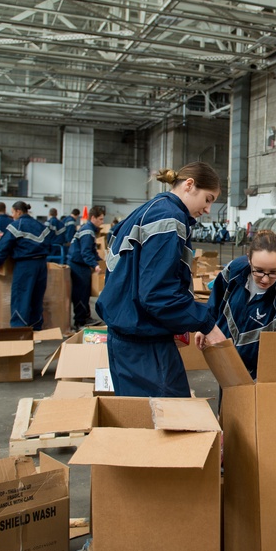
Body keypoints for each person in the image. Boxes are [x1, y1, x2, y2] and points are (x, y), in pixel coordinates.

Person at [96, 162, 226, 398]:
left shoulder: (152, 208)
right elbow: (158, 295)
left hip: (128, 333)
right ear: (189, 185)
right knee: (168, 422)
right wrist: (206, 323)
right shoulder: (169, 218)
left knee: (140, 418)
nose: (208, 209)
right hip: (144, 343)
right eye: (208, 199)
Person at [196, 230, 276, 378]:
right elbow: (217, 298)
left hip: (262, 377)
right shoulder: (235, 270)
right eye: (259, 271)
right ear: (249, 259)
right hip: (226, 361)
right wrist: (206, 325)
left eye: (273, 272)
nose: (265, 279)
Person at [0, 201, 51, 330]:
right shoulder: (41, 226)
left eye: (12, 213)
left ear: (18, 211)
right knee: (36, 297)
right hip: (41, 264)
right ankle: (35, 329)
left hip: (25, 265)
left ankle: (19, 329)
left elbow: (3, 246)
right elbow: (50, 244)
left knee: (21, 296)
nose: (12, 216)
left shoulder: (16, 226)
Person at [69, 205, 104, 330]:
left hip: (81, 264)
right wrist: (95, 265)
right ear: (93, 218)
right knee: (80, 293)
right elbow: (86, 252)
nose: (102, 222)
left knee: (85, 293)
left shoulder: (90, 230)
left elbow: (92, 250)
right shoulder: (87, 231)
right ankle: (80, 321)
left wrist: (101, 261)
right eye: (100, 219)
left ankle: (85, 317)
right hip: (78, 265)